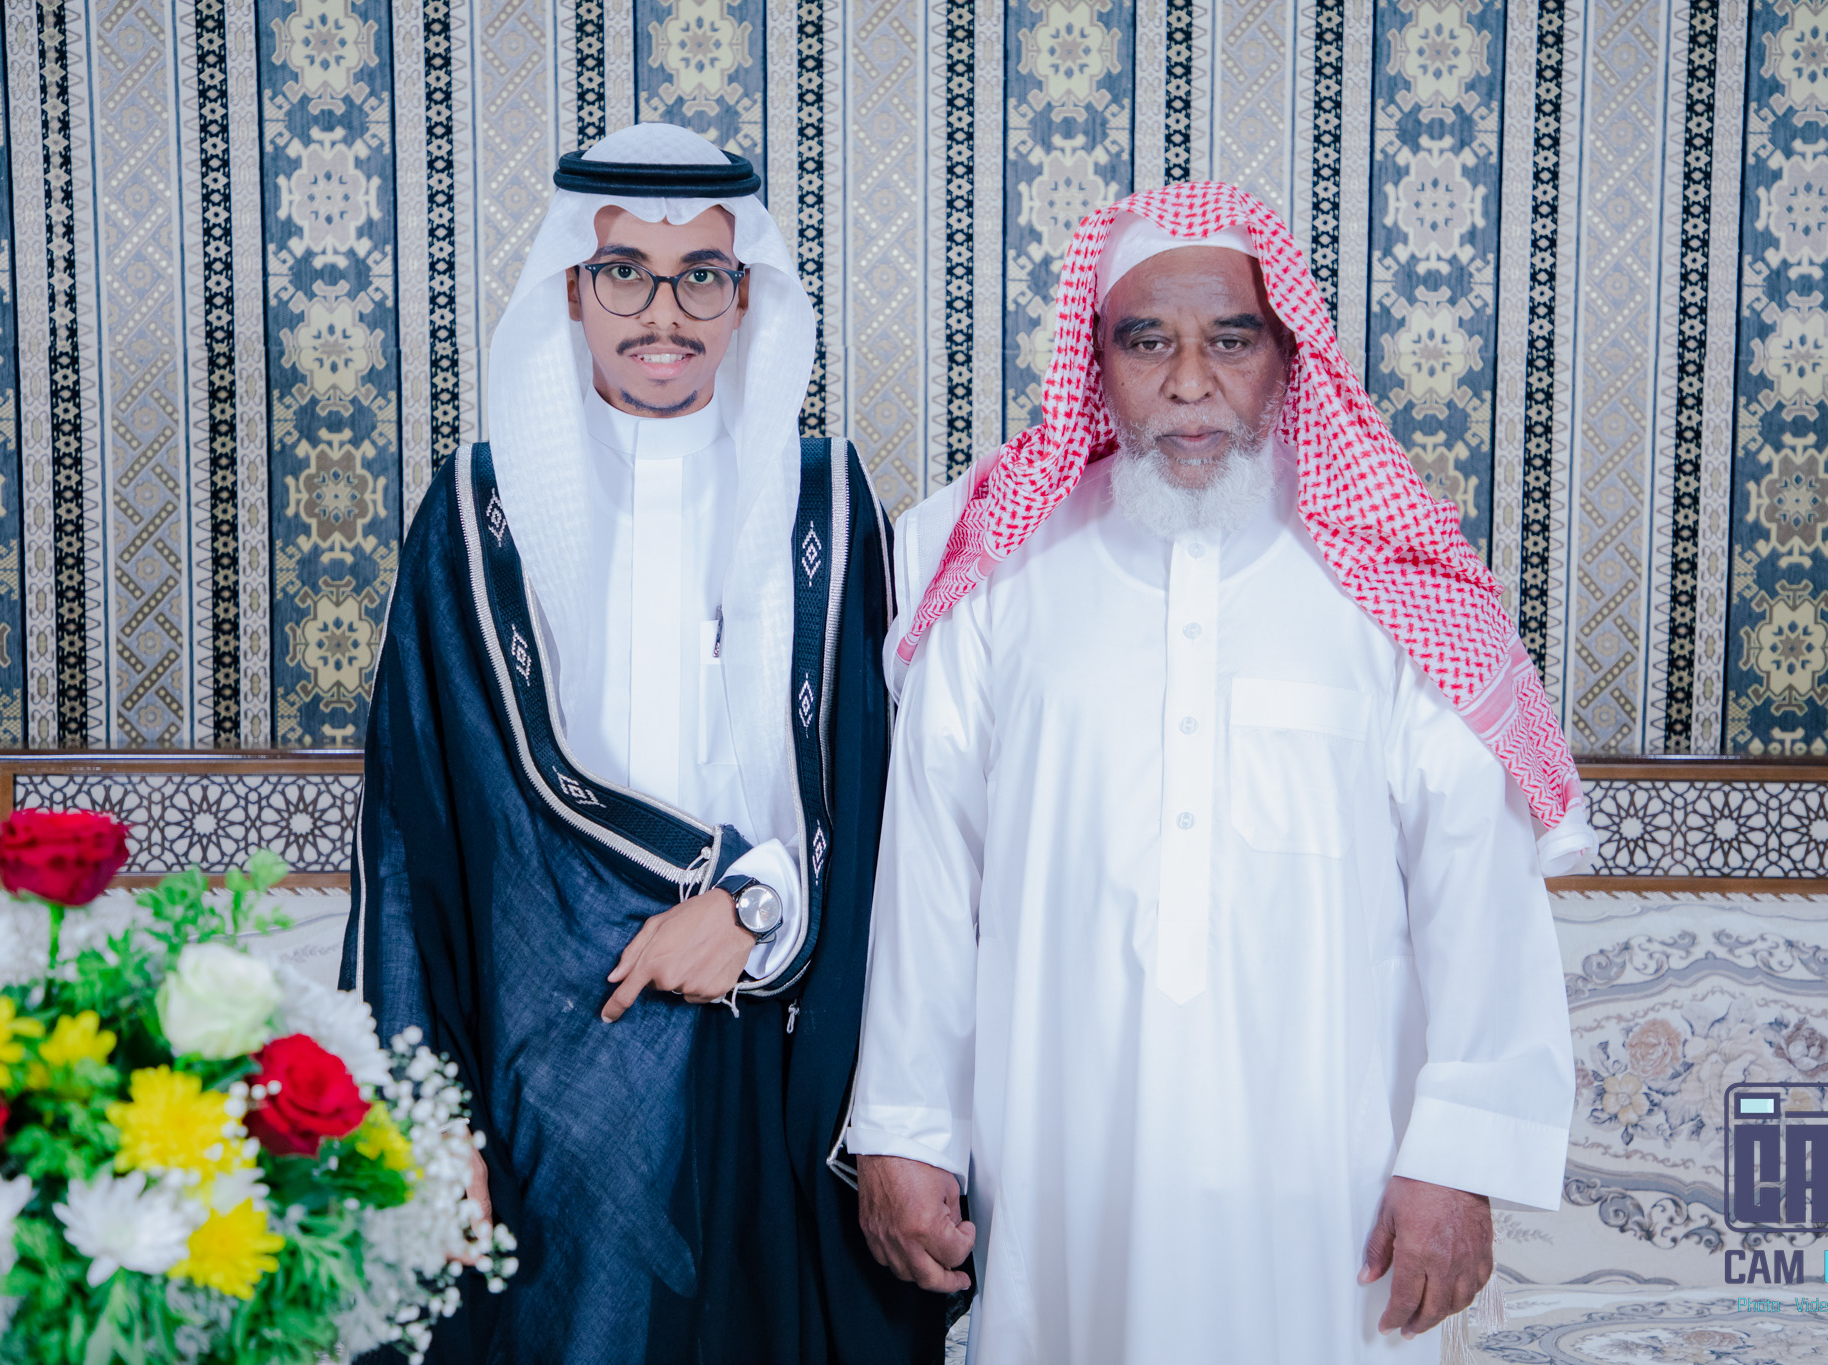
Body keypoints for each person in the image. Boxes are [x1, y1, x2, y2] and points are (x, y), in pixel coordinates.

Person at [845, 182, 1592, 1363]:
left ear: (1285, 359)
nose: (1189, 383)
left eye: (1230, 341)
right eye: (1147, 343)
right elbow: (930, 876)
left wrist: (1458, 1158)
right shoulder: (1001, 577)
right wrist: (903, 1129)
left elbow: (1476, 886)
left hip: (1331, 1182)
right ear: (1096, 364)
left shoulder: (1387, 582)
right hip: (1063, 1162)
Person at [341, 123, 942, 1363]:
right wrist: (421, 1113)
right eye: (623, 273)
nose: (662, 313)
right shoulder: (476, 515)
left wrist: (756, 912)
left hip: (772, 1057)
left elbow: (886, 804)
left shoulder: (826, 504)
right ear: (571, 288)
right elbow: (411, 836)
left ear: (744, 297)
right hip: (540, 1070)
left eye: (700, 277)